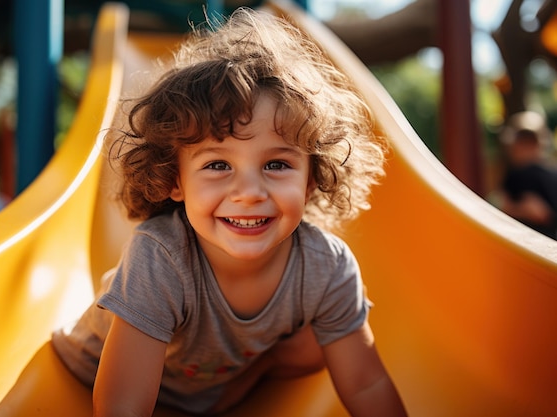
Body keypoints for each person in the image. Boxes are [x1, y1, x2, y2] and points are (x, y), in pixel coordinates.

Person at [52, 8, 407, 417]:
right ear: (175, 181)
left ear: (312, 178)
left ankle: (248, 377)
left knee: (323, 341)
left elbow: (367, 382)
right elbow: (121, 405)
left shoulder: (325, 266)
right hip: (88, 379)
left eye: (276, 165)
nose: (249, 193)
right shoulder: (162, 257)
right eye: (217, 165)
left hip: (206, 391)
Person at [491, 111, 557, 239]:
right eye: (522, 141)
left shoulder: (549, 175)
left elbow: (542, 214)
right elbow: (502, 207)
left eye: (530, 142)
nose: (526, 148)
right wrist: (520, 209)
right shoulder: (512, 175)